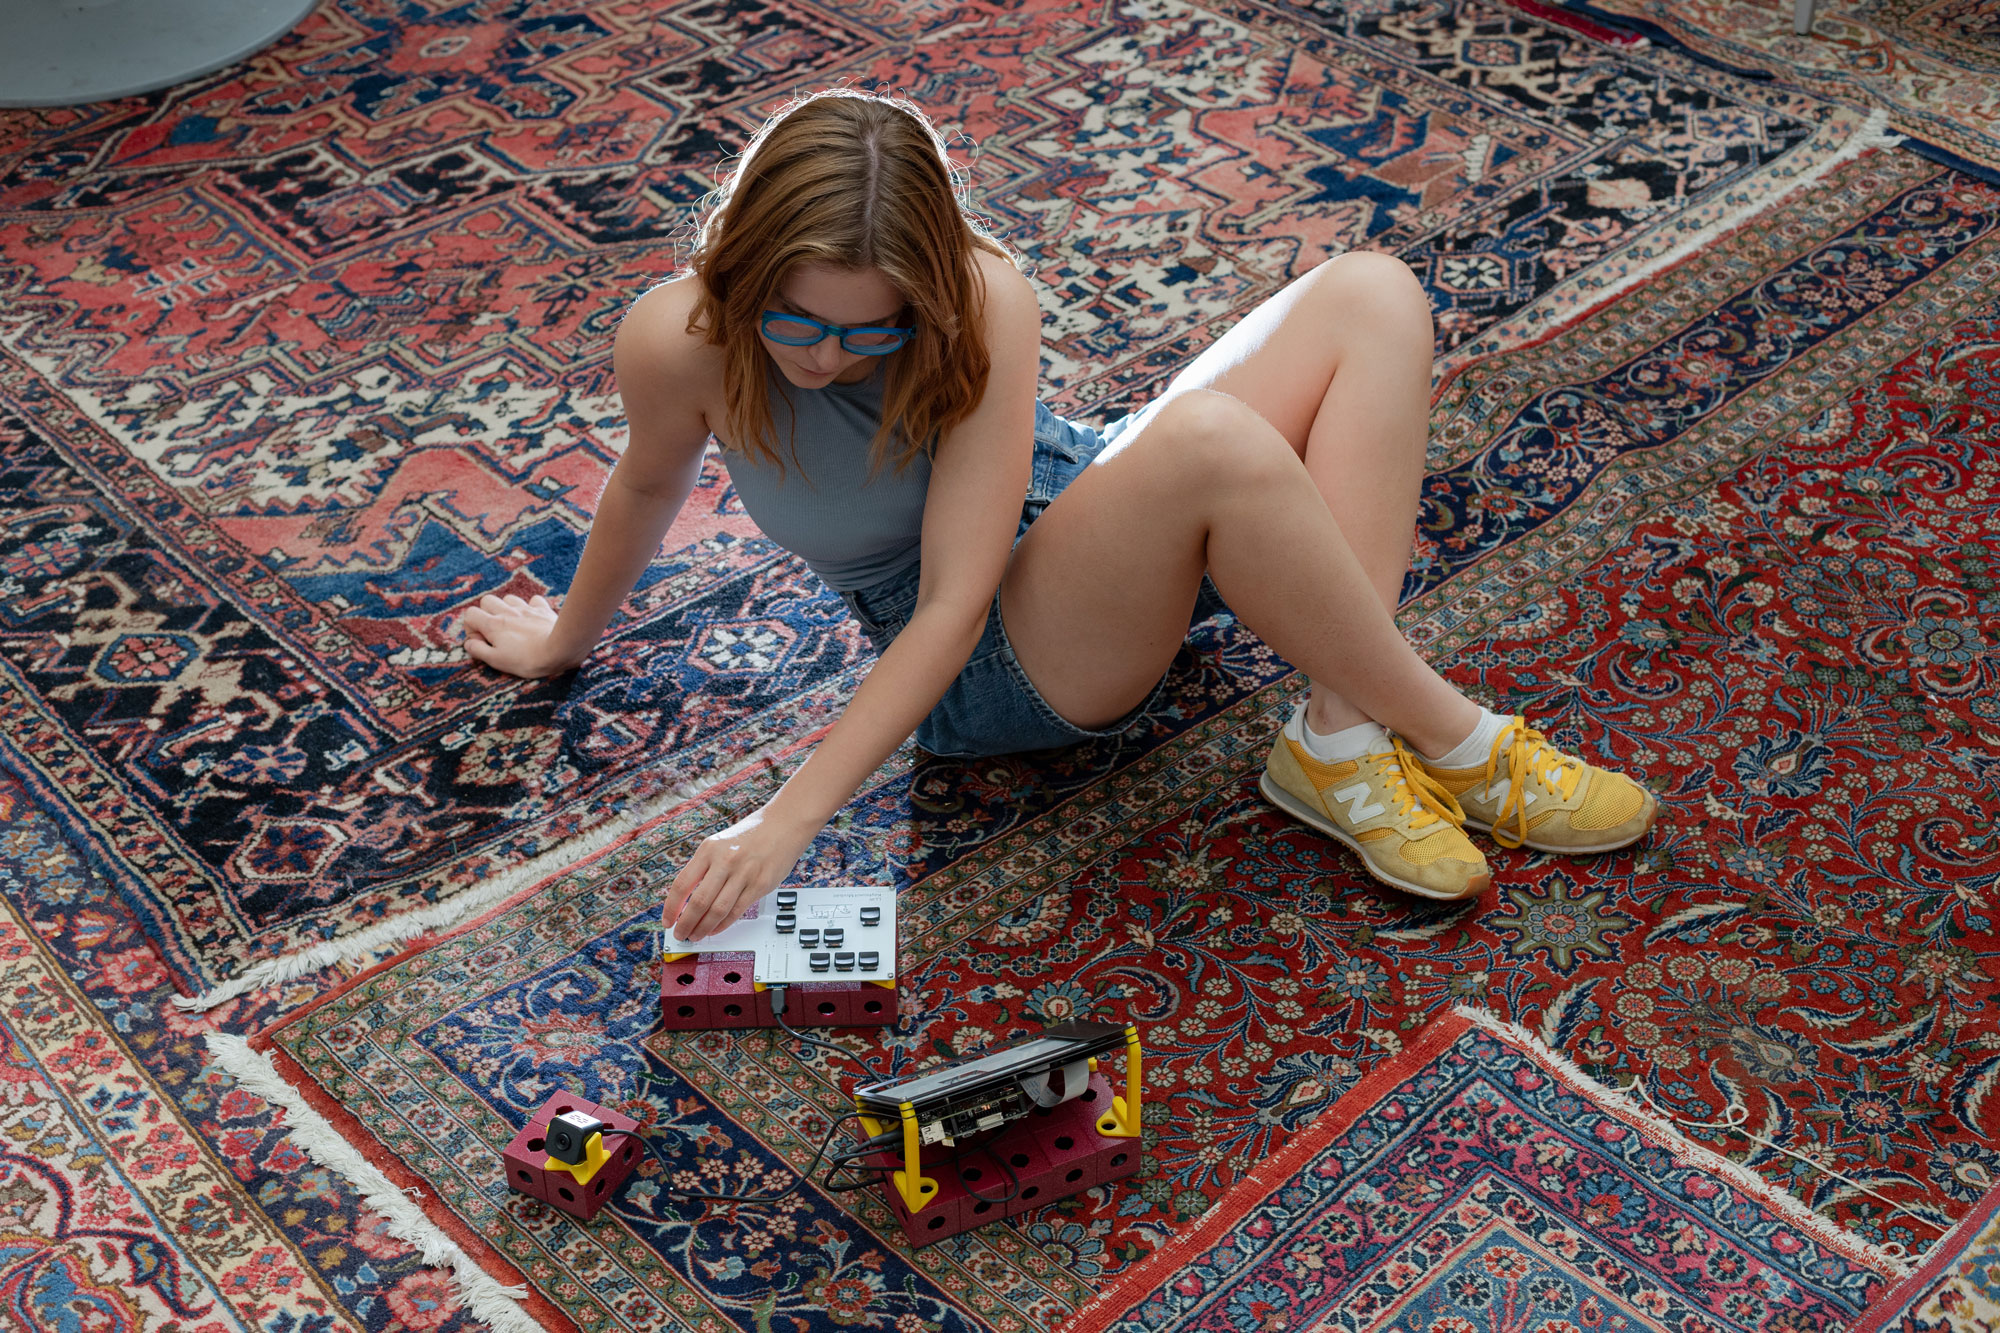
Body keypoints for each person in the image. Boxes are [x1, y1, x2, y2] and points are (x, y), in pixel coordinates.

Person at [461, 89, 1657, 940]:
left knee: (1373, 294)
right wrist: (575, 648)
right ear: (739, 276)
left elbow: (1030, 498)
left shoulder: (980, 298)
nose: (828, 357)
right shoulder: (677, 340)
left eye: (871, 328)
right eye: (797, 322)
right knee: (1207, 441)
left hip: (1087, 510)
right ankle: (1461, 741)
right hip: (983, 664)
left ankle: (1343, 741)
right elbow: (673, 496)